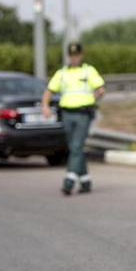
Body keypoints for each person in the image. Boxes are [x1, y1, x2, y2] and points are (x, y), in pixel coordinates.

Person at [42, 42, 106, 195]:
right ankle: (85, 181)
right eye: (72, 56)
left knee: (76, 146)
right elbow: (49, 90)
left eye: (76, 55)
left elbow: (101, 88)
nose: (74, 58)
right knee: (74, 147)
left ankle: (69, 181)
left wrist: (96, 95)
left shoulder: (88, 71)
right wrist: (45, 106)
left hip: (83, 114)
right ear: (68, 56)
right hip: (67, 113)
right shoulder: (62, 73)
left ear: (81, 55)